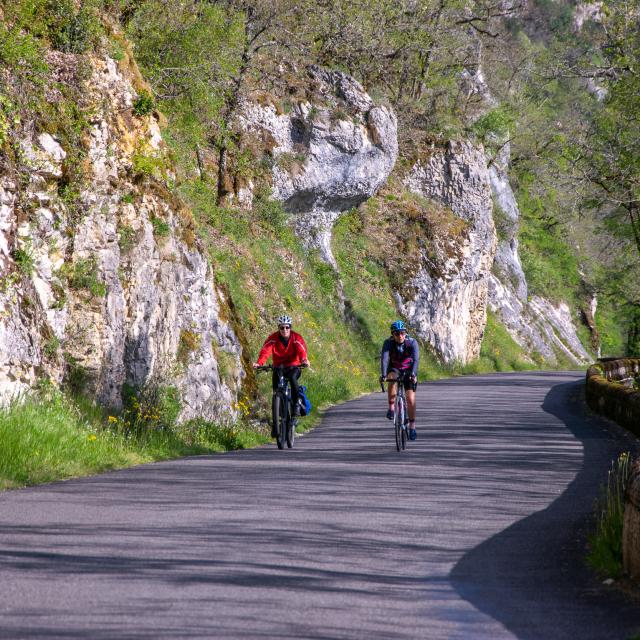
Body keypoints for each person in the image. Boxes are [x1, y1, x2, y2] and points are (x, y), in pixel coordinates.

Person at [253, 315, 310, 437]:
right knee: (276, 393)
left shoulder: (296, 338)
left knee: (294, 379)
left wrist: (304, 360)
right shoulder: (273, 338)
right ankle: (276, 425)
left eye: (287, 327)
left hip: (294, 367)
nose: (284, 330)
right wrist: (259, 363)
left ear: (290, 327)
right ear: (278, 328)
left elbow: (302, 351)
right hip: (278, 368)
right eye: (282, 328)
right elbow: (266, 351)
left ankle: (295, 405)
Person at [380, 320, 419, 440]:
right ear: (392, 334)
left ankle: (412, 426)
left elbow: (416, 360)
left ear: (405, 333)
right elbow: (385, 359)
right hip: (395, 368)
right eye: (397, 334)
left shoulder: (412, 343)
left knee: (411, 399)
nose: (400, 336)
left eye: (402, 333)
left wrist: (413, 374)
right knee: (391, 378)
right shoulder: (388, 343)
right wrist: (383, 375)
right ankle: (391, 407)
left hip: (408, 370)